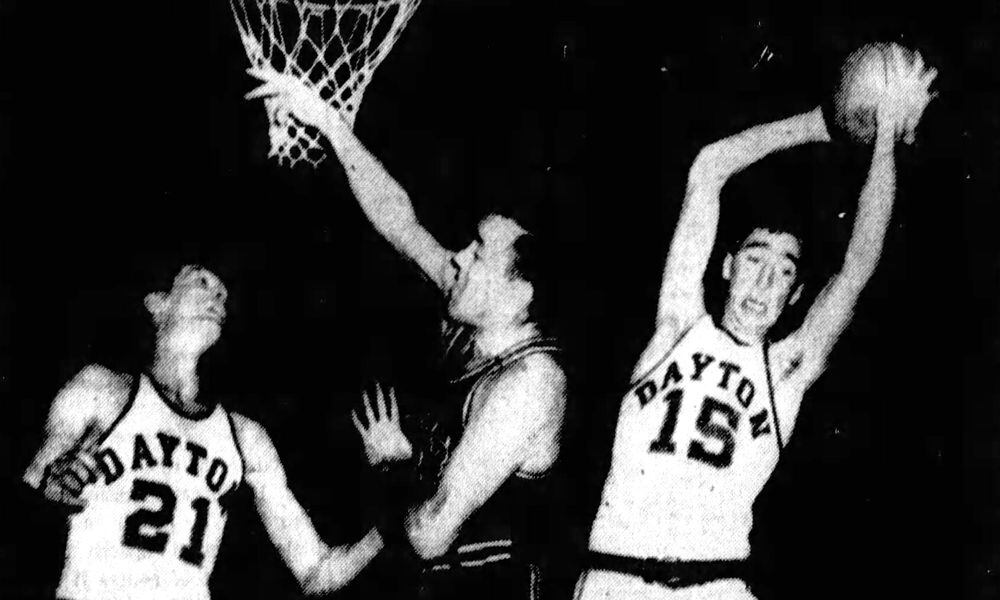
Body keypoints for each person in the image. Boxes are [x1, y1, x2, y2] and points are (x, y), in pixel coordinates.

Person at [575, 45, 937, 599]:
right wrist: (821, 123)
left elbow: (857, 265)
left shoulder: (785, 369)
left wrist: (884, 137)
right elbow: (708, 170)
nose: (764, 283)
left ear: (794, 297)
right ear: (725, 267)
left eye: (782, 272)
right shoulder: (677, 325)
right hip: (616, 579)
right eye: (754, 259)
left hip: (717, 586)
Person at [248, 69, 568, 599]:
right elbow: (399, 222)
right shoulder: (478, 319)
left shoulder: (531, 383)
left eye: (478, 254)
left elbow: (428, 535)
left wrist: (393, 464)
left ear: (520, 295)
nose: (458, 257)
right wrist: (327, 119)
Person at [23, 265, 382, 600]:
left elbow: (318, 571)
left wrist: (392, 523)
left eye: (224, 296)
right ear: (158, 303)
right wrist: (51, 485)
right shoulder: (101, 389)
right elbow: (36, 481)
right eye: (201, 282)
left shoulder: (245, 437)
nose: (216, 298)